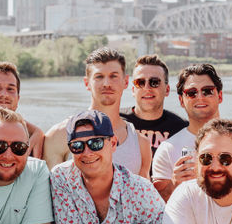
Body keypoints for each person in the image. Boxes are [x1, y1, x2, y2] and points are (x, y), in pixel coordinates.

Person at [49, 110, 164, 224]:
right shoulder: (61, 178)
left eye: (96, 143)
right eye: (77, 146)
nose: (87, 153)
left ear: (113, 144)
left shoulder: (141, 190)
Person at [42, 47, 152, 178]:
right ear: (87, 83)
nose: (106, 83)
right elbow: (51, 192)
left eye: (113, 76)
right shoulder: (59, 135)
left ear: (126, 82)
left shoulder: (140, 143)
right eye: (99, 77)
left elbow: (143, 196)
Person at [151, 63, 223, 201]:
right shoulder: (167, 149)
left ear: (219, 96)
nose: (200, 97)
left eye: (207, 91)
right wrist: (174, 185)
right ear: (181, 100)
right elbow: (156, 206)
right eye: (191, 93)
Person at [120, 54, 187, 159]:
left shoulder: (181, 128)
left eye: (154, 82)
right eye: (140, 82)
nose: (147, 88)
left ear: (167, 90)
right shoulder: (116, 121)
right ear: (133, 90)